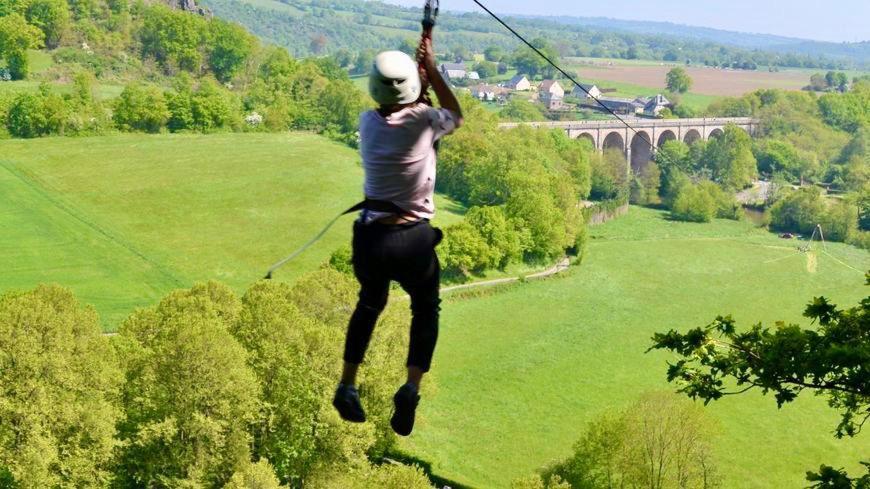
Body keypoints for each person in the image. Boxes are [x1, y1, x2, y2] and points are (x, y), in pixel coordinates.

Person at [332, 38, 463, 436]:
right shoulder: (427, 121)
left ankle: (347, 384)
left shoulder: (367, 123)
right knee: (425, 310)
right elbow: (454, 114)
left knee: (369, 305)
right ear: (414, 91)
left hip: (372, 240)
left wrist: (417, 79)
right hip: (414, 241)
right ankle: (410, 386)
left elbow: (404, 108)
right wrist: (433, 69)